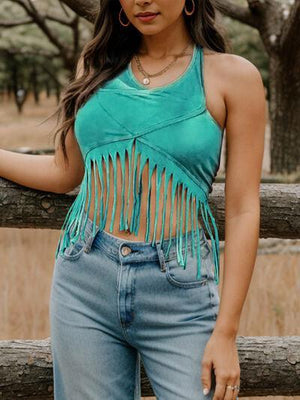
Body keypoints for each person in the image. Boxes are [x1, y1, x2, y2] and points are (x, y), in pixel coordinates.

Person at [0, 0, 266, 399]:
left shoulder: (232, 76)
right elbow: (64, 172)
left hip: (180, 288)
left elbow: (244, 208)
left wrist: (226, 332)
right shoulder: (96, 66)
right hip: (84, 276)